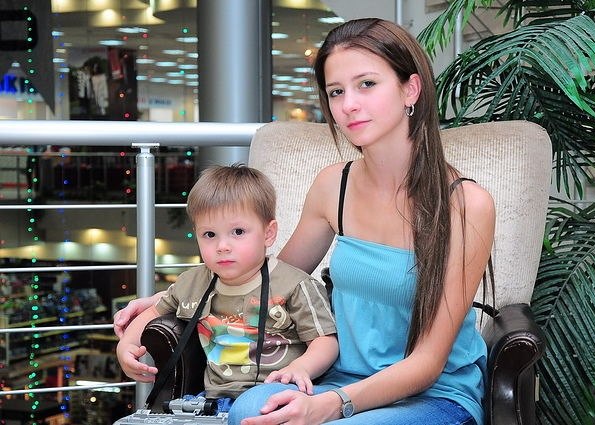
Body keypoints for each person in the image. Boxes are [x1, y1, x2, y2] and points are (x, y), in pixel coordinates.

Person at [114, 17, 495, 425]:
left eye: (367, 84)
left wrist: (331, 405)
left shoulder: (466, 205)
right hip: (335, 377)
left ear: (410, 89)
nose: (349, 105)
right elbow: (268, 278)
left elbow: (428, 363)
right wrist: (161, 304)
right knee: (249, 410)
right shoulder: (335, 185)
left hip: (431, 394)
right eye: (336, 91)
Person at [116, 164, 338, 401]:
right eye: (210, 234)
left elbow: (326, 341)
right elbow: (152, 312)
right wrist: (125, 347)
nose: (222, 246)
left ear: (268, 233)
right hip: (211, 400)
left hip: (278, 396)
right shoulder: (192, 282)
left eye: (238, 232)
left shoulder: (296, 285)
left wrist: (301, 368)